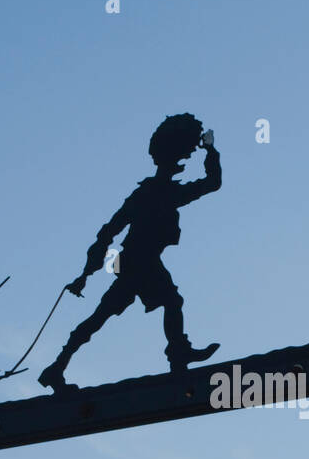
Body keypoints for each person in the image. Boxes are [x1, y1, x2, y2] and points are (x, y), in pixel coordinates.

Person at [39, 113, 221, 394]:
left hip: (137, 261)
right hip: (139, 260)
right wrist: (85, 275)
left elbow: (107, 232)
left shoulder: (158, 192)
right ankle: (178, 353)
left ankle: (57, 367)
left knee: (104, 314)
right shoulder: (158, 193)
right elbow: (108, 231)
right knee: (167, 302)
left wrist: (85, 275)